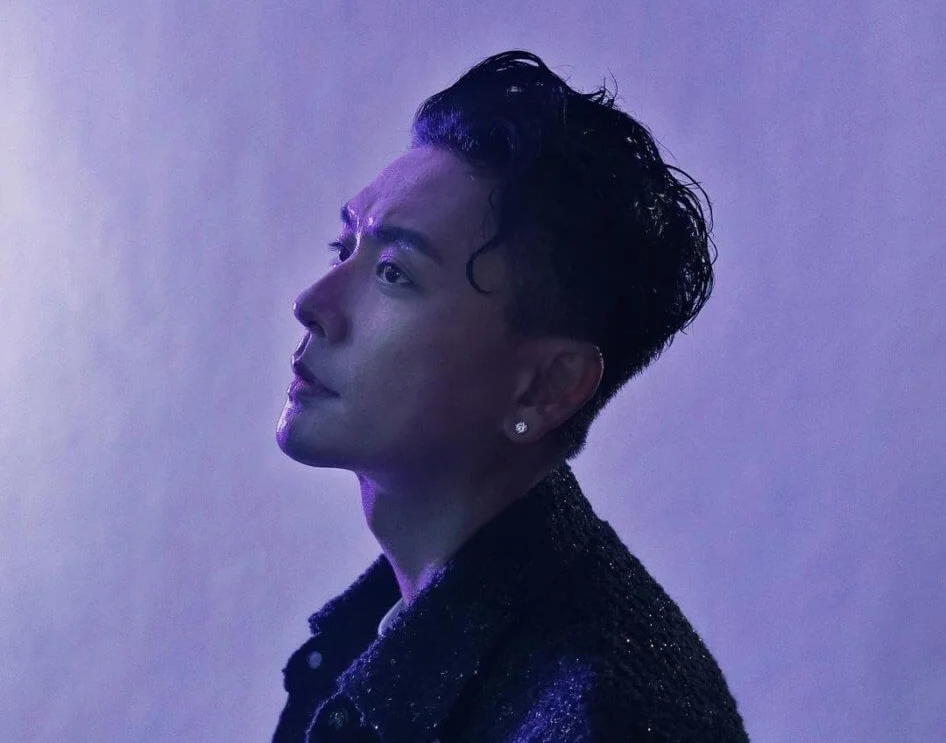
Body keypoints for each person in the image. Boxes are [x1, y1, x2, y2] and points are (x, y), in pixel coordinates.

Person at [272, 50, 749, 742]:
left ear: (546, 388)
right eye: (343, 248)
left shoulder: (598, 716)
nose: (312, 303)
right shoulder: (379, 632)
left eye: (394, 273)